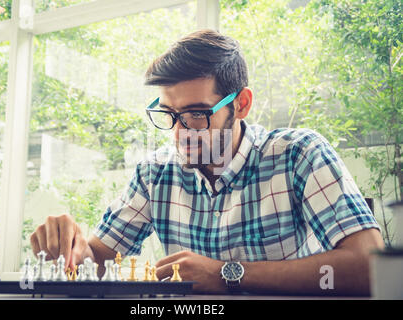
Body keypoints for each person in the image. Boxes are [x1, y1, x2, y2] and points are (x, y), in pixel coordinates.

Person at [30, 30, 384, 295]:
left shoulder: (299, 155)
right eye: (169, 114)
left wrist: (228, 273)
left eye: (196, 114)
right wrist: (71, 246)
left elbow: (373, 268)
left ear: (241, 104)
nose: (180, 133)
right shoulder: (155, 174)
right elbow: (99, 263)